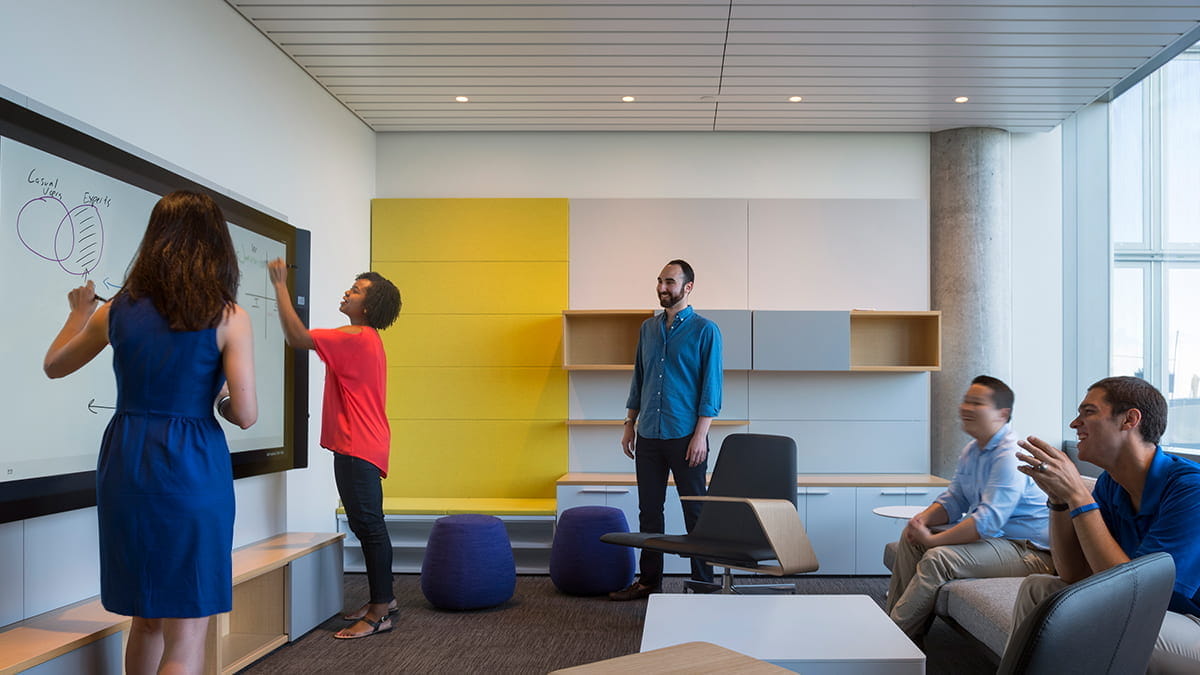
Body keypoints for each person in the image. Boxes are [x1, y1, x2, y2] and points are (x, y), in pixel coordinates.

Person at [43, 190, 258, 675]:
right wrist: (219, 393)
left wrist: (78, 314)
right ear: (216, 245)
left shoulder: (115, 309)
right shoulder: (228, 316)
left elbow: (54, 366)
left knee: (146, 620)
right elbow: (244, 414)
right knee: (187, 631)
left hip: (127, 460)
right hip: (192, 465)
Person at [1014, 376, 1200, 673]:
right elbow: (1073, 574)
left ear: (1130, 420)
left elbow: (1132, 593)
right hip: (1152, 612)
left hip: (1192, 624)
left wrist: (1077, 494)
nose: (1075, 424)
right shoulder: (1110, 485)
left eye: (1088, 412)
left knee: (1112, 630)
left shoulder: (1191, 489)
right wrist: (1060, 501)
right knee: (1040, 590)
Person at [268, 258, 402, 638]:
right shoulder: (365, 339)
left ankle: (379, 614)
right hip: (363, 442)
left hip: (358, 445)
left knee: (370, 528)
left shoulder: (355, 337)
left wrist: (280, 284)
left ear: (369, 307)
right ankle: (386, 599)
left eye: (356, 290)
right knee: (367, 524)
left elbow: (297, 337)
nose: (348, 292)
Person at [885, 375, 1053, 641]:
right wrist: (921, 521)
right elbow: (955, 499)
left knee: (939, 557)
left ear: (1002, 414)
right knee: (911, 541)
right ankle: (901, 631)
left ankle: (890, 642)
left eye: (977, 403)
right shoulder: (973, 450)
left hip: (1029, 550)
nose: (965, 408)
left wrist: (935, 539)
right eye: (966, 400)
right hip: (998, 541)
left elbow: (986, 521)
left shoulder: (1008, 455)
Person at [609, 259, 722, 601]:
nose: (662, 288)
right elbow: (638, 378)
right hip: (649, 436)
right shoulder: (648, 329)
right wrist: (630, 423)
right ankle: (649, 582)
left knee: (695, 510)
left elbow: (711, 387)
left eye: (670, 282)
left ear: (688, 287)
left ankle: (703, 582)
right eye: (660, 281)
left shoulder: (706, 330)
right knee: (649, 511)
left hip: (687, 437)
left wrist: (701, 434)